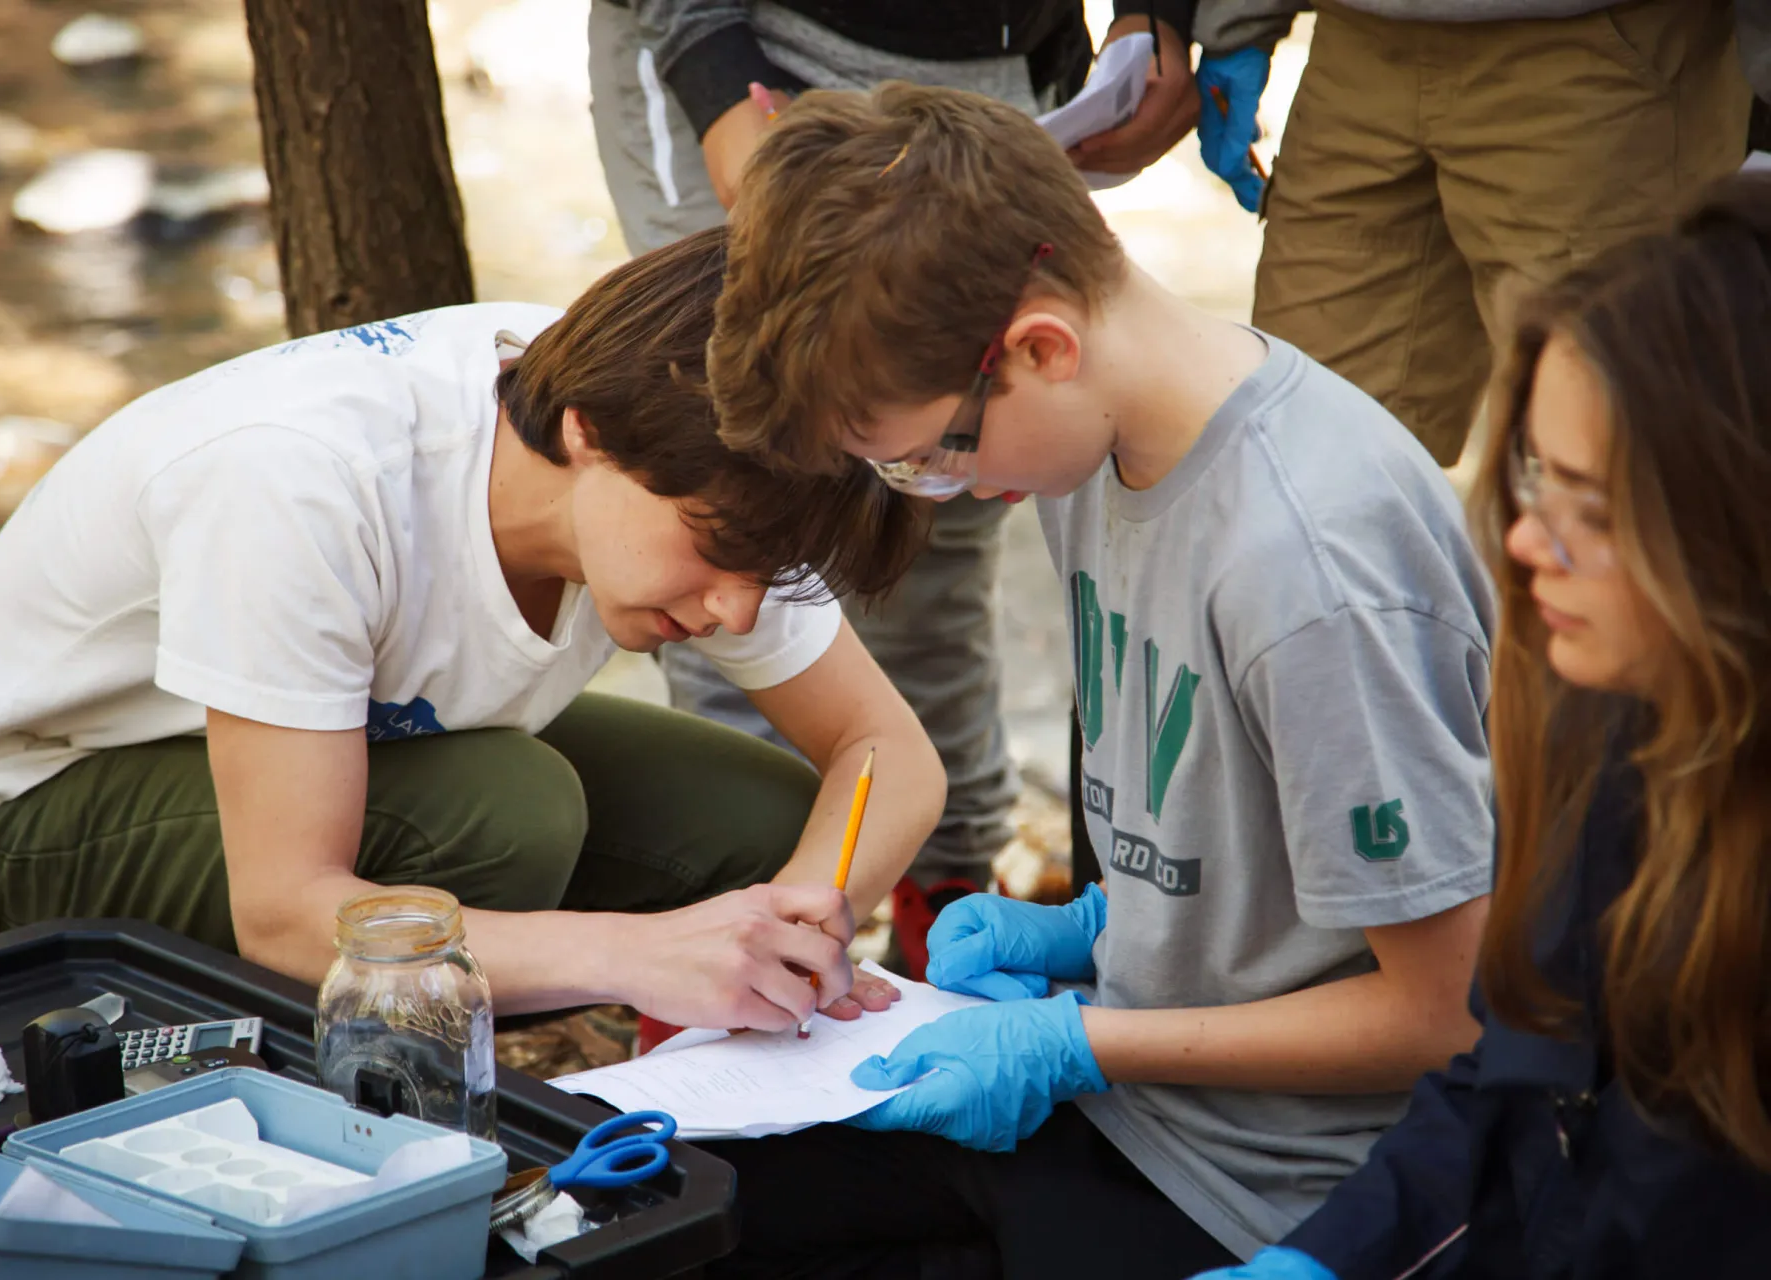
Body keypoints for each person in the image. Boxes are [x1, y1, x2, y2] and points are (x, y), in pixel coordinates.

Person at [694, 83, 1496, 1277]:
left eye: (929, 453)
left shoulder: (1309, 568)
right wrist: (1083, 935)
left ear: (1039, 348)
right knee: (690, 1205)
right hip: (1126, 1091)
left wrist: (1074, 1037)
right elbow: (1233, 856)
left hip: (1268, 1186)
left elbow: (1442, 1014)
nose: (944, 488)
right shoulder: (1088, 452)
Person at [0, 227, 947, 1033]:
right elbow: (290, 913)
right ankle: (351, 1108)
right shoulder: (306, 482)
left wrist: (800, 923)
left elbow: (884, 752)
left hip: (335, 749)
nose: (736, 610)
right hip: (22, 799)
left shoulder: (724, 459)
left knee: (761, 827)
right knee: (507, 814)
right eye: (716, 555)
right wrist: (640, 953)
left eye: (766, 575)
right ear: (588, 434)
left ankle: (699, 1096)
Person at [1191, 174, 1771, 1280]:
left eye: (1595, 510)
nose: (1528, 544)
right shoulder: (1604, 724)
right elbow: (1508, 1082)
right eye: (1536, 477)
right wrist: (1326, 1256)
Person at [587, 0, 1205, 965]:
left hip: (994, 64)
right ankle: (726, 920)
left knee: (930, 528)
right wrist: (714, 77)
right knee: (737, 486)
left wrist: (1151, 13)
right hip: (741, 62)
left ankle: (942, 891)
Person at [1191, 0, 1750, 467]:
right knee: (1302, 462)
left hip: (1601, 51)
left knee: (1616, 465)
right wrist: (1239, 17)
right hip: (1358, 46)